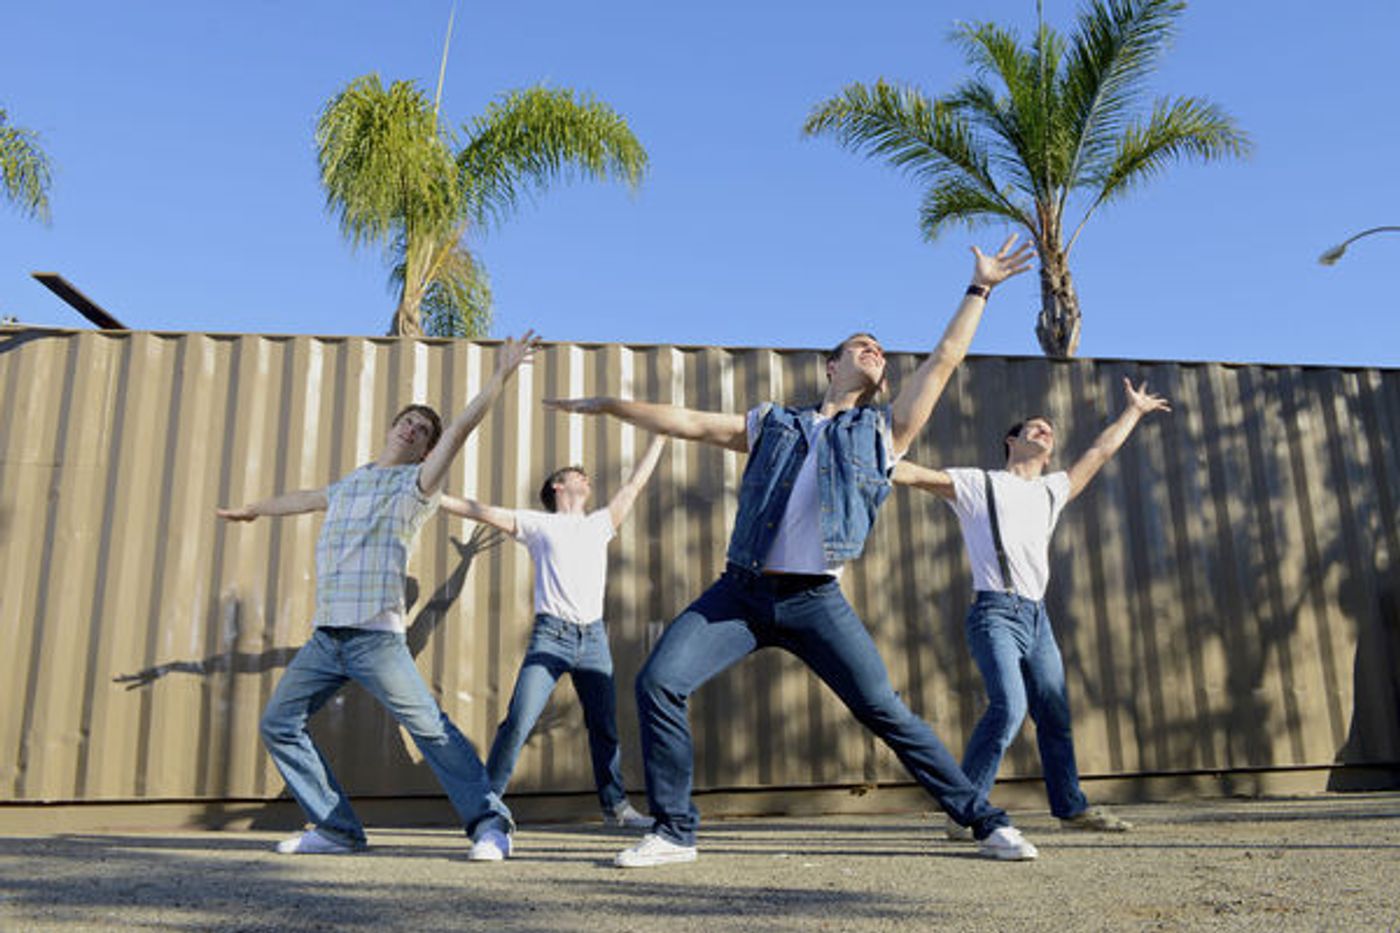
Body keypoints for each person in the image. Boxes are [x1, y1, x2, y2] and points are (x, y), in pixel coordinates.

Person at [547, 235, 1042, 868]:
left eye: (881, 351)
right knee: (659, 683)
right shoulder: (774, 424)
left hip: (816, 601)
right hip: (742, 591)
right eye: (860, 344)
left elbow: (944, 360)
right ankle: (674, 832)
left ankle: (985, 821)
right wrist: (612, 405)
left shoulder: (883, 432)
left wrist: (980, 288)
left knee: (885, 712)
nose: (875, 350)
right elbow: (692, 422)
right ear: (829, 365)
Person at [217, 332, 540, 861]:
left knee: (431, 730)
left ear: (424, 449)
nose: (412, 429)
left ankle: (490, 825)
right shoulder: (351, 483)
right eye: (407, 421)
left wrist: (499, 377)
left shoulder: (416, 487)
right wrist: (254, 508)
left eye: (422, 431)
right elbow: (304, 498)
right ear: (392, 428)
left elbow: (459, 430)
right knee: (278, 722)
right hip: (328, 637)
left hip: (376, 639)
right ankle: (336, 828)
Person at [893, 377, 1171, 839]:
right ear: (1011, 440)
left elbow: (1099, 454)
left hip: (1037, 619)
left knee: (1054, 715)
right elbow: (918, 476)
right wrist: (867, 457)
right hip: (994, 614)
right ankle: (966, 811)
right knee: (1008, 707)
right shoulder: (978, 484)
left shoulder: (1052, 491)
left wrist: (1134, 412)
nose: (1045, 431)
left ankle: (1071, 808)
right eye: (1034, 427)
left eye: (1049, 430)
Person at [439, 435, 667, 829]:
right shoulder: (538, 523)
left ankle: (616, 808)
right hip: (552, 638)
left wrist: (661, 435)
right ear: (558, 486)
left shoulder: (601, 523)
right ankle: (487, 808)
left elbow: (634, 485)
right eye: (578, 474)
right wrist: (433, 496)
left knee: (604, 727)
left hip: (593, 639)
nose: (586, 478)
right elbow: (481, 512)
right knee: (518, 721)